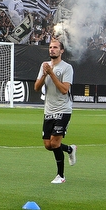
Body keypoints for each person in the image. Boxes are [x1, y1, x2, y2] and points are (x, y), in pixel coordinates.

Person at [34, 38, 77, 183]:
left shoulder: (67, 68)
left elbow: (65, 90)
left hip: (63, 109)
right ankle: (70, 149)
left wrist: (51, 73)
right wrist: (45, 73)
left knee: (55, 143)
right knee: (48, 145)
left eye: (55, 47)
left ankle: (61, 176)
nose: (52, 49)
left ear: (61, 51)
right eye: (50, 47)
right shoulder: (44, 66)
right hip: (48, 110)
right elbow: (36, 87)